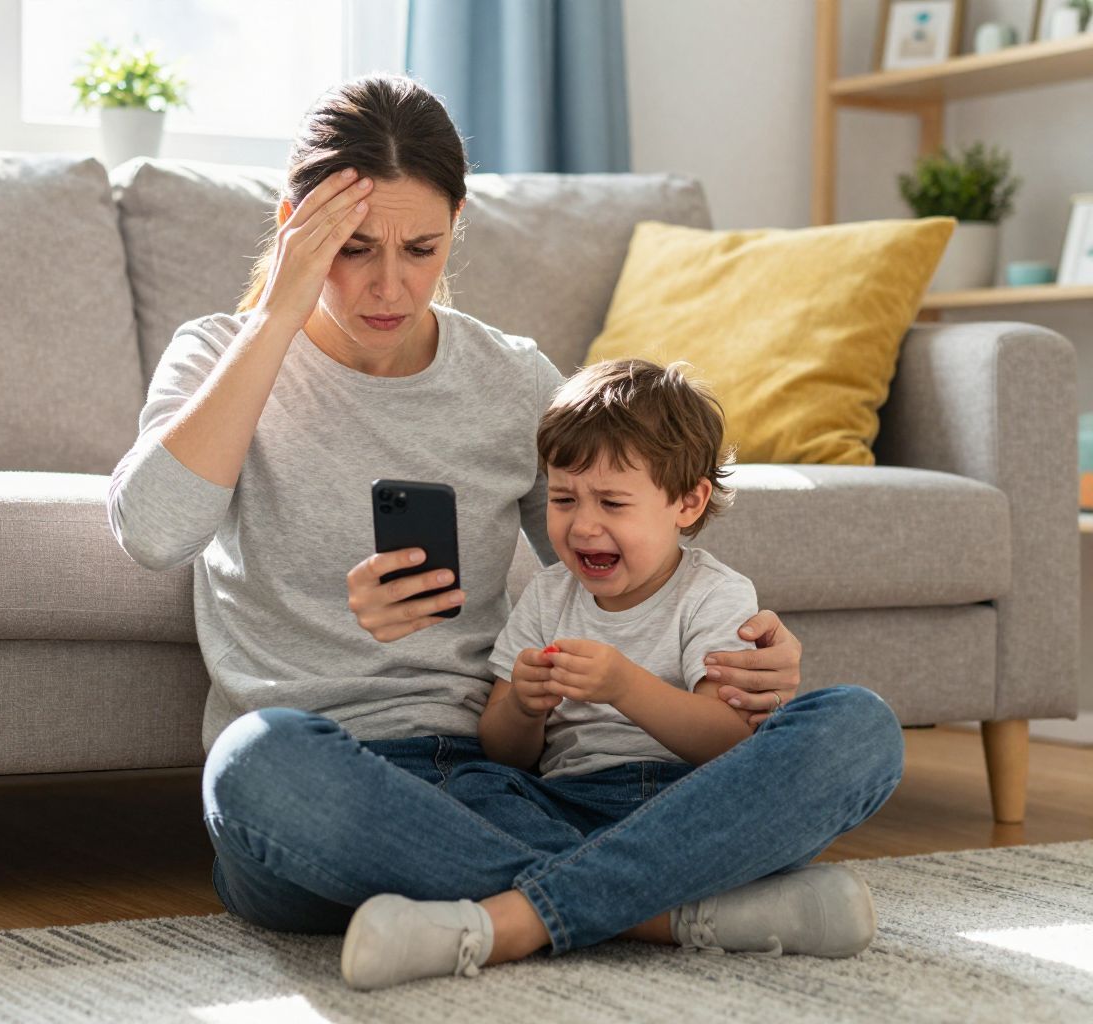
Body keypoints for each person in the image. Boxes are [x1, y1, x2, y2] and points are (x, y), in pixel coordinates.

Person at [105, 73, 900, 989]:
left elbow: (626, 546)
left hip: (501, 779)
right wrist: (281, 311)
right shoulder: (218, 354)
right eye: (353, 247)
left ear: (458, 227)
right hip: (332, 791)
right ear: (295, 225)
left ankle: (510, 916)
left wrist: (747, 651)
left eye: (421, 247)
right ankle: (663, 907)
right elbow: (151, 533)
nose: (388, 284)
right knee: (253, 765)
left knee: (856, 728)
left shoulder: (510, 377)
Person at [339, 358, 885, 990]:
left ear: (688, 501)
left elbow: (728, 742)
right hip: (568, 803)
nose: (583, 524)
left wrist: (626, 686)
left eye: (613, 503)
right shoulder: (547, 596)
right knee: (471, 783)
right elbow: (505, 751)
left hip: (684, 803)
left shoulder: (713, 596)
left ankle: (517, 913)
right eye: (564, 498)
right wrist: (524, 706)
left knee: (857, 722)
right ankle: (685, 908)